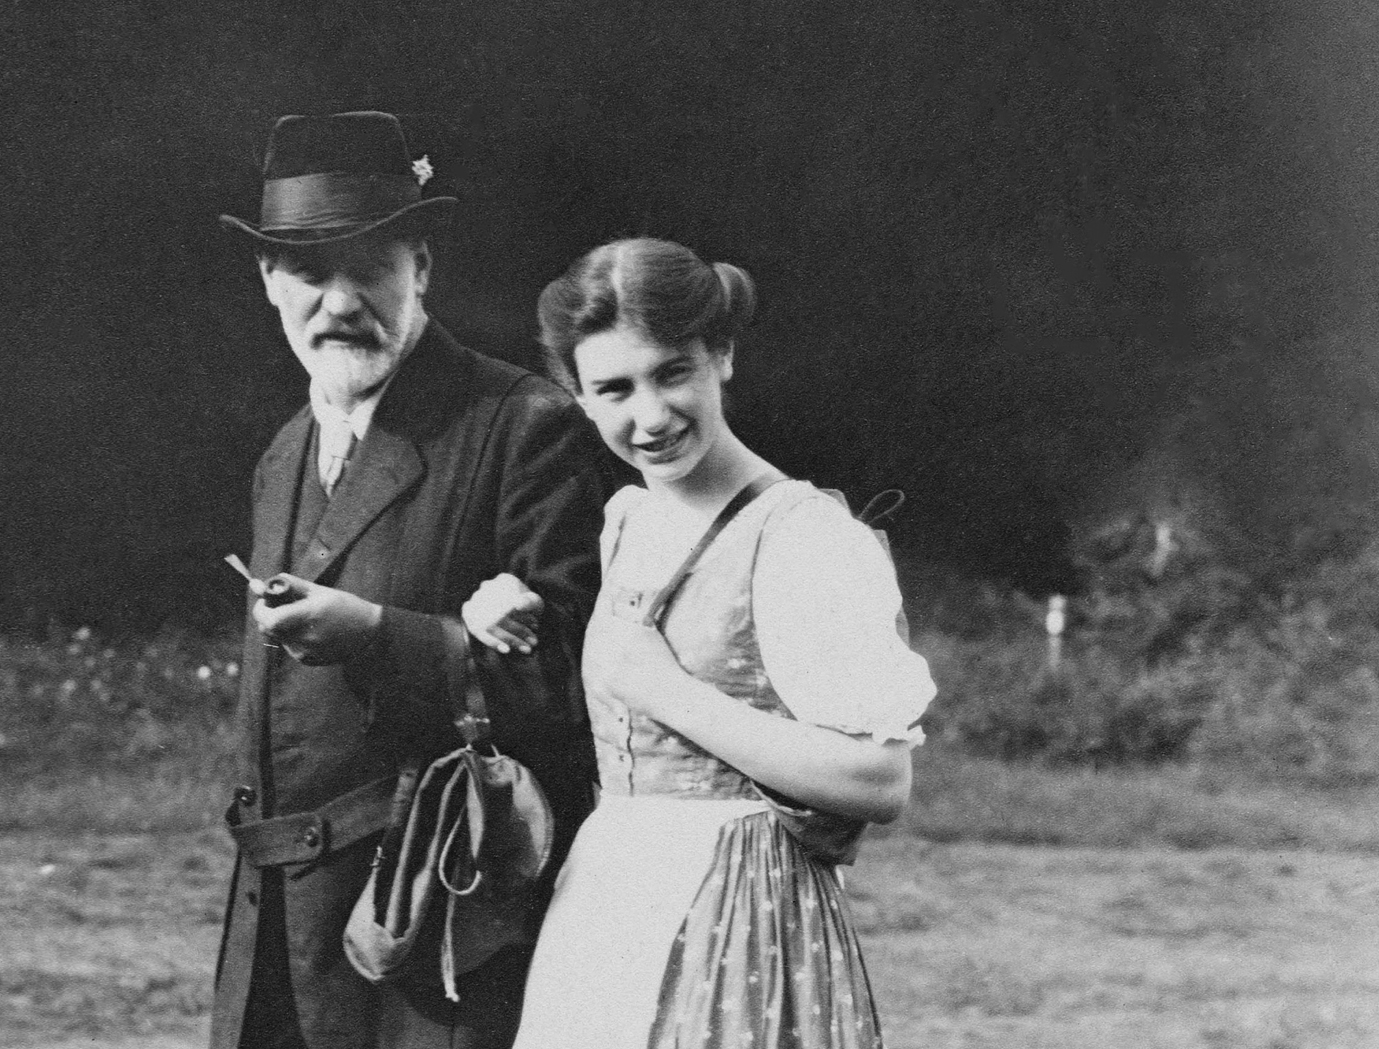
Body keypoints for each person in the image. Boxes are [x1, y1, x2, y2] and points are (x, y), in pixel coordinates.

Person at [466, 238, 936, 1049]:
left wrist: (668, 691)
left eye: (671, 372)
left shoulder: (802, 535)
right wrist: (508, 613)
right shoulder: (627, 521)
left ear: (720, 354)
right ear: (577, 396)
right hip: (610, 898)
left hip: (743, 918)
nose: (649, 416)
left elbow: (880, 777)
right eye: (613, 388)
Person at [209, 111, 613, 1049]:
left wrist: (378, 633)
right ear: (269, 281)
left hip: (436, 938)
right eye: (309, 273)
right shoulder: (284, 454)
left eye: (371, 268)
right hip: (278, 934)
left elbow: (581, 688)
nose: (339, 303)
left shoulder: (524, 426)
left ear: (421, 268)